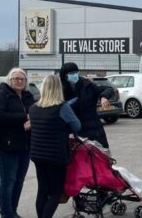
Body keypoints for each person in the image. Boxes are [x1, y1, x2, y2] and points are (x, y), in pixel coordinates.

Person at [29, 75, 81, 218]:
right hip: (56, 156)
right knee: (56, 192)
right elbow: (77, 126)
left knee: (42, 191)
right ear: (59, 89)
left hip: (38, 155)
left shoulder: (33, 108)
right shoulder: (62, 107)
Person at [0, 68, 36, 218]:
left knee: (18, 182)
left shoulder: (28, 96)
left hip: (25, 146)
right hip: (5, 146)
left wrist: (32, 122)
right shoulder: (2, 95)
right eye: (15, 78)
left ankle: (12, 211)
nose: (19, 81)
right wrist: (24, 118)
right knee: (8, 182)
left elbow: (35, 114)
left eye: (22, 79)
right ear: (9, 80)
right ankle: (7, 214)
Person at [58, 63, 113, 148]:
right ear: (64, 76)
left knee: (100, 156)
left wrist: (103, 97)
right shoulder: (61, 90)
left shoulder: (87, 85)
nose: (74, 75)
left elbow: (108, 88)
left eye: (76, 72)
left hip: (94, 130)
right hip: (74, 132)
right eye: (71, 73)